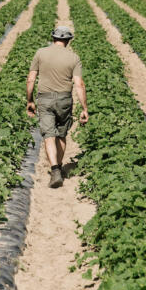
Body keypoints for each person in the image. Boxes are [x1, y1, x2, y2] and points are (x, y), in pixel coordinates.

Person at [26, 25, 88, 188]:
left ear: (53, 38)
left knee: (48, 134)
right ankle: (59, 167)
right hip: (64, 100)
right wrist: (84, 109)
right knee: (61, 134)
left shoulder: (40, 53)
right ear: (68, 41)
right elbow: (79, 85)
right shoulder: (74, 58)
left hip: (45, 99)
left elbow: (31, 79)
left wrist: (30, 100)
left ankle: (54, 170)